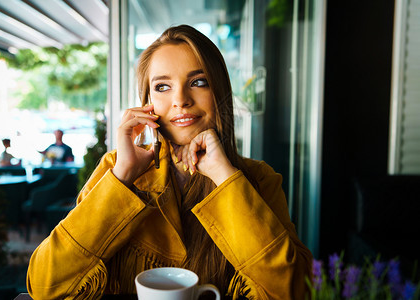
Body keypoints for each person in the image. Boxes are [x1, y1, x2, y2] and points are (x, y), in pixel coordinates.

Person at [27, 24, 313, 299]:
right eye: (163, 87)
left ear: (219, 93)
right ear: (146, 101)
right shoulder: (116, 170)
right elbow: (44, 286)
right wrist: (123, 176)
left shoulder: (258, 178)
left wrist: (225, 177)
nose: (181, 100)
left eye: (198, 82)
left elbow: (293, 291)